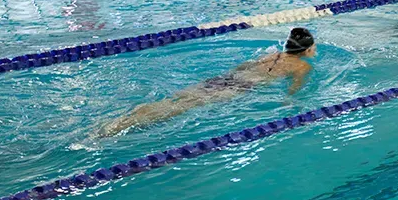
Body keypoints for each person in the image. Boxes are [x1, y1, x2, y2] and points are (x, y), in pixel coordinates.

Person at [99, 28, 317, 136]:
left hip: (224, 79)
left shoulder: (271, 55)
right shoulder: (302, 66)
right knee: (182, 107)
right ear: (306, 50)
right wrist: (290, 103)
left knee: (176, 99)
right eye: (313, 47)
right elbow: (293, 90)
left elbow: (242, 67)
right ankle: (118, 128)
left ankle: (120, 119)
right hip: (241, 87)